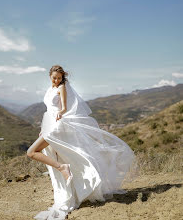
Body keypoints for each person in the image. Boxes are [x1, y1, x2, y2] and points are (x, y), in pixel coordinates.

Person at [27, 65, 139, 220]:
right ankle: (68, 184)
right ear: (49, 76)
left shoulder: (62, 88)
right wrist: (43, 128)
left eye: (59, 78)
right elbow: (48, 110)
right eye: (54, 77)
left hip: (56, 126)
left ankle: (63, 168)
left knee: (31, 152)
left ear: (62, 78)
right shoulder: (49, 89)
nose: (57, 80)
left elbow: (64, 108)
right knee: (56, 155)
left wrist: (60, 113)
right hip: (49, 126)